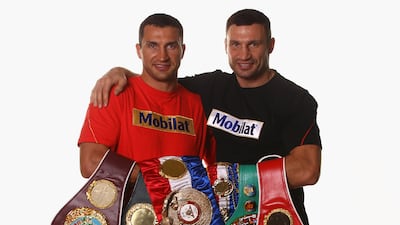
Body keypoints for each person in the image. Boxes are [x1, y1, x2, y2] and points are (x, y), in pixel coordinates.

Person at [90, 9, 322, 225]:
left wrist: (233, 177)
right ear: (225, 45)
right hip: (219, 217)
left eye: (253, 44)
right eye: (236, 44)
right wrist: (120, 73)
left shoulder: (294, 99)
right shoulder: (210, 88)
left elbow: (307, 170)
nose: (244, 54)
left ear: (270, 46)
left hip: (273, 214)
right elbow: (159, 78)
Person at [78, 13, 223, 224]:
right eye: (153, 45)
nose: (162, 56)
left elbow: (213, 170)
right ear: (139, 50)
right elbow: (90, 163)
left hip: (184, 217)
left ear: (183, 50)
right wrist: (159, 181)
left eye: (171, 46)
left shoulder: (196, 104)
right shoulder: (115, 93)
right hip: (129, 216)